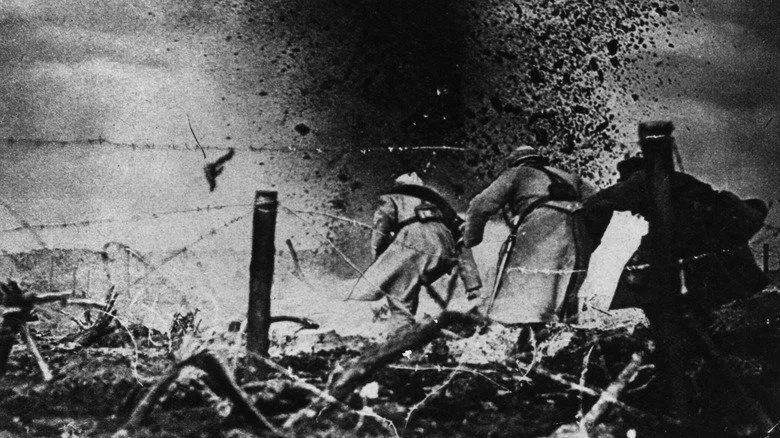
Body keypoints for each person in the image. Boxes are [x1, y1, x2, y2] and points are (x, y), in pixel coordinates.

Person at [581, 156, 770, 311]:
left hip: (700, 247)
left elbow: (600, 202)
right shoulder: (681, 180)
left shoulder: (642, 180)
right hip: (719, 244)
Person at [462, 146, 598, 324]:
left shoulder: (517, 173)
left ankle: (513, 334)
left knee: (516, 289)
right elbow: (599, 203)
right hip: (578, 230)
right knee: (564, 294)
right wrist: (590, 240)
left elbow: (480, 205)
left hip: (540, 226)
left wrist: (471, 239)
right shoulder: (571, 177)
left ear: (516, 162)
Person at [352, 172, 481, 322]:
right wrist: (472, 284)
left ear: (398, 186)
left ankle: (401, 330)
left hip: (416, 246)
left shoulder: (391, 197)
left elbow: (380, 231)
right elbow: (461, 237)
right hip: (444, 252)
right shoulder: (438, 201)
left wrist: (379, 261)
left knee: (399, 292)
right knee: (411, 279)